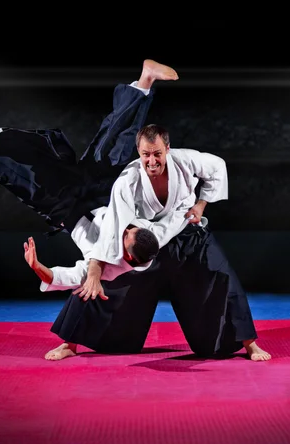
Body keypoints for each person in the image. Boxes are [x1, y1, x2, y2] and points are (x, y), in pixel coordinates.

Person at [0, 59, 175, 294]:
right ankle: (145, 80)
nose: (124, 229)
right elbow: (177, 217)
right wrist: (196, 207)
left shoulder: (111, 269)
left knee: (25, 181)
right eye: (130, 228)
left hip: (67, 208)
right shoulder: (153, 235)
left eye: (126, 235)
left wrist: (37, 266)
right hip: (101, 192)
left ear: (128, 256)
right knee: (115, 142)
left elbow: (66, 277)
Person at [53, 124, 272, 362]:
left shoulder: (185, 160)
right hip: (145, 242)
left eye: (157, 153)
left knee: (221, 275)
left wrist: (201, 204)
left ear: (167, 148)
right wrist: (95, 270)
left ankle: (250, 344)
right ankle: (70, 344)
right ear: (138, 151)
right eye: (146, 154)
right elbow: (112, 229)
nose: (152, 160)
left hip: (186, 235)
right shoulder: (127, 182)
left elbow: (217, 166)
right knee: (103, 281)